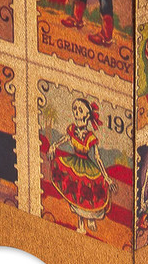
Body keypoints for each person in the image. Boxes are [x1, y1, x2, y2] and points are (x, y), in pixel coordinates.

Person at [47, 98, 117, 235]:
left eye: (80, 110)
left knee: (88, 195)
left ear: (87, 115)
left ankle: (90, 218)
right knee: (77, 196)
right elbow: (65, 139)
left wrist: (107, 178)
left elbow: (97, 158)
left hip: (87, 167)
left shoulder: (91, 137)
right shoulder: (72, 129)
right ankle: (80, 225)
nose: (76, 112)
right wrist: (54, 146)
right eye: (75, 109)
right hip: (74, 163)